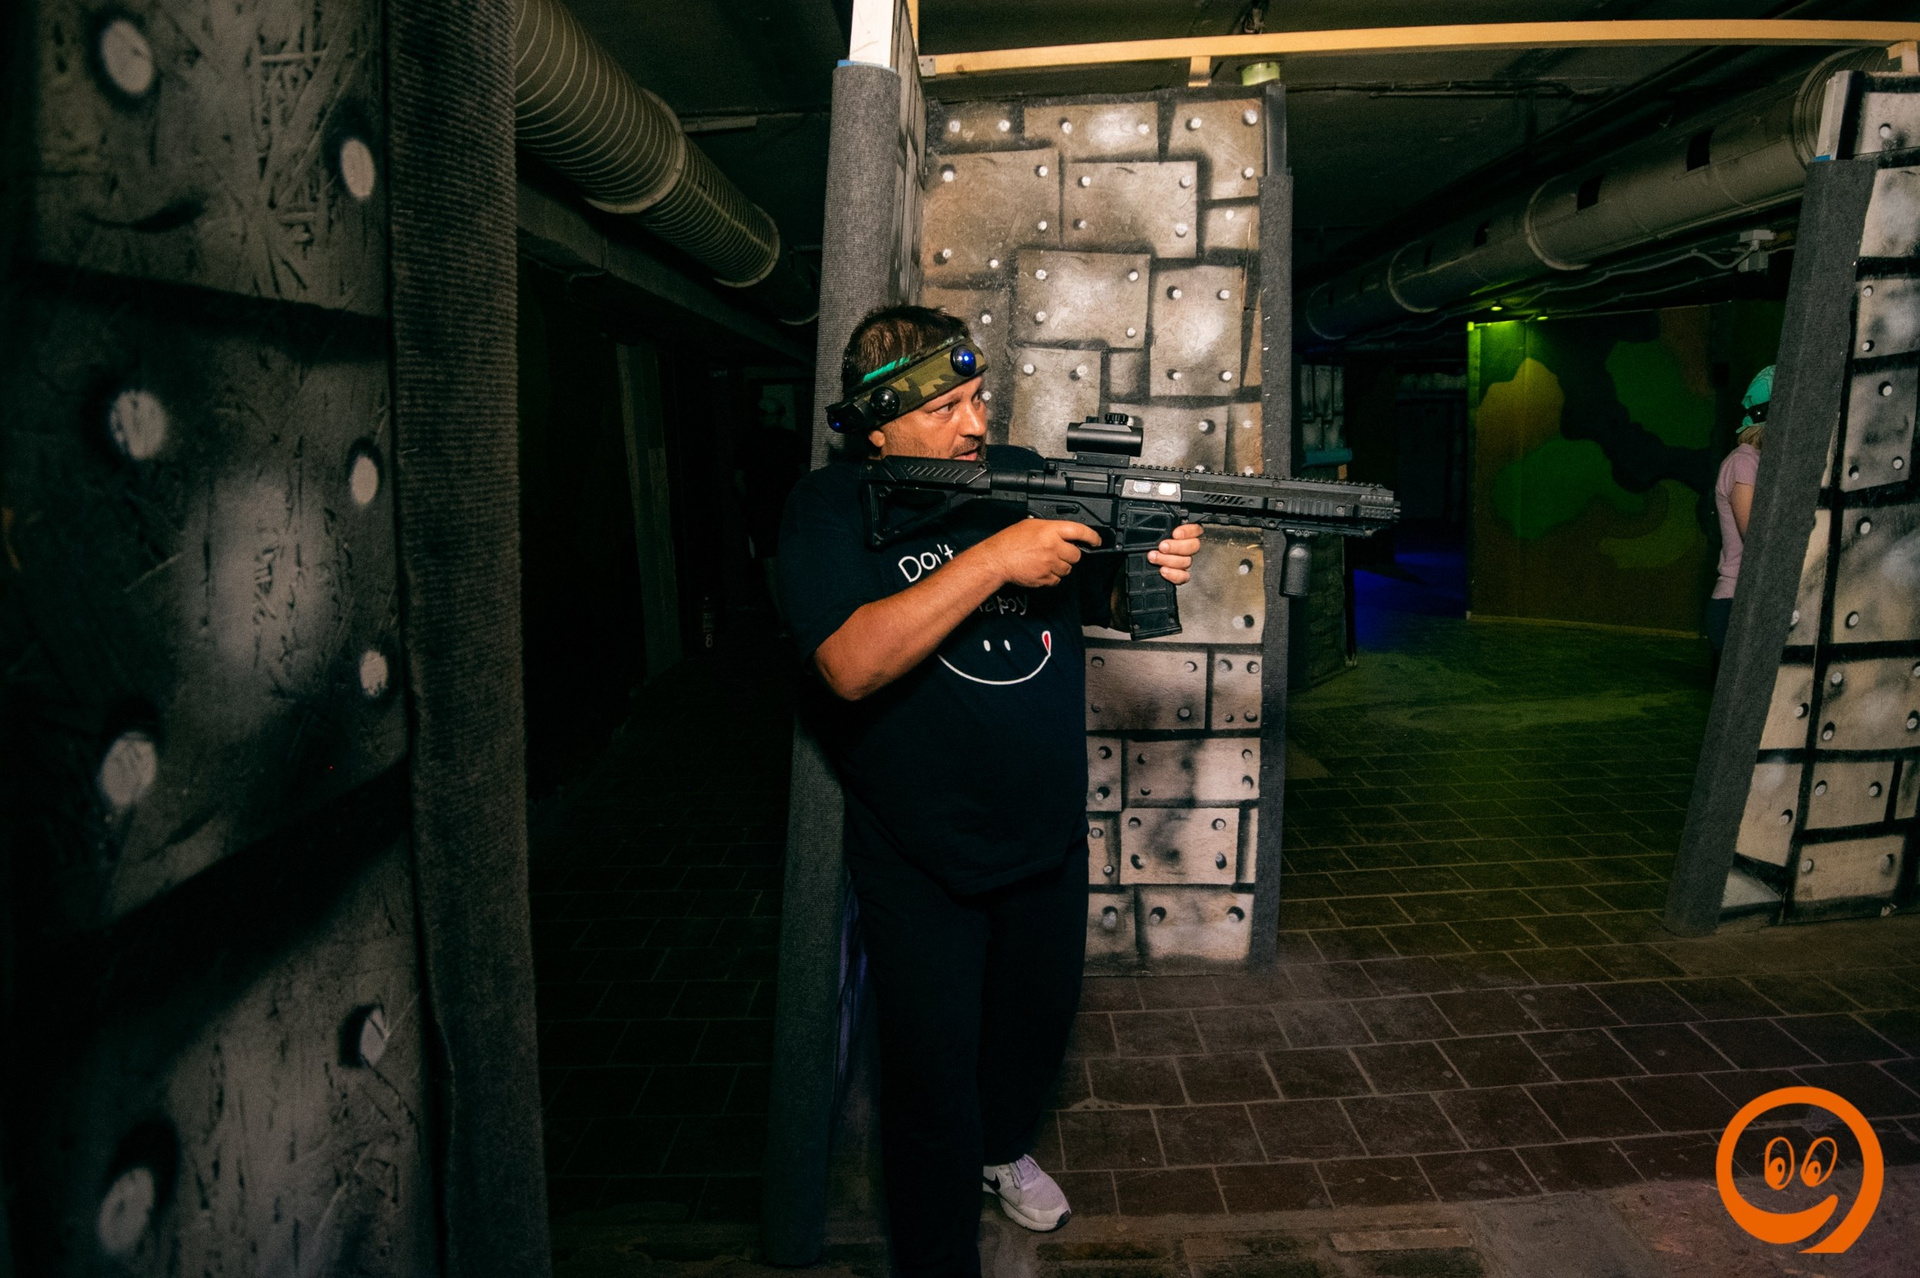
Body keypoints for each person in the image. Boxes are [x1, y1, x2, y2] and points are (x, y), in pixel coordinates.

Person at [776, 305, 1202, 1278]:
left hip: (1047, 833)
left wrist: (1151, 565)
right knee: (930, 1077)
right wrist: (994, 557)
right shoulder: (827, 508)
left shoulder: (1019, 477)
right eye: (946, 410)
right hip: (920, 852)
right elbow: (848, 664)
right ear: (875, 425)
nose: (976, 425)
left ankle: (1002, 1151)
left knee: (1032, 1034)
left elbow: (1093, 597)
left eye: (980, 399)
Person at [1707, 364, 1770, 658]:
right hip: (1734, 604)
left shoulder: (1758, 463)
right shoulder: (1743, 462)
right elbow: (1756, 536)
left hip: (1747, 603)